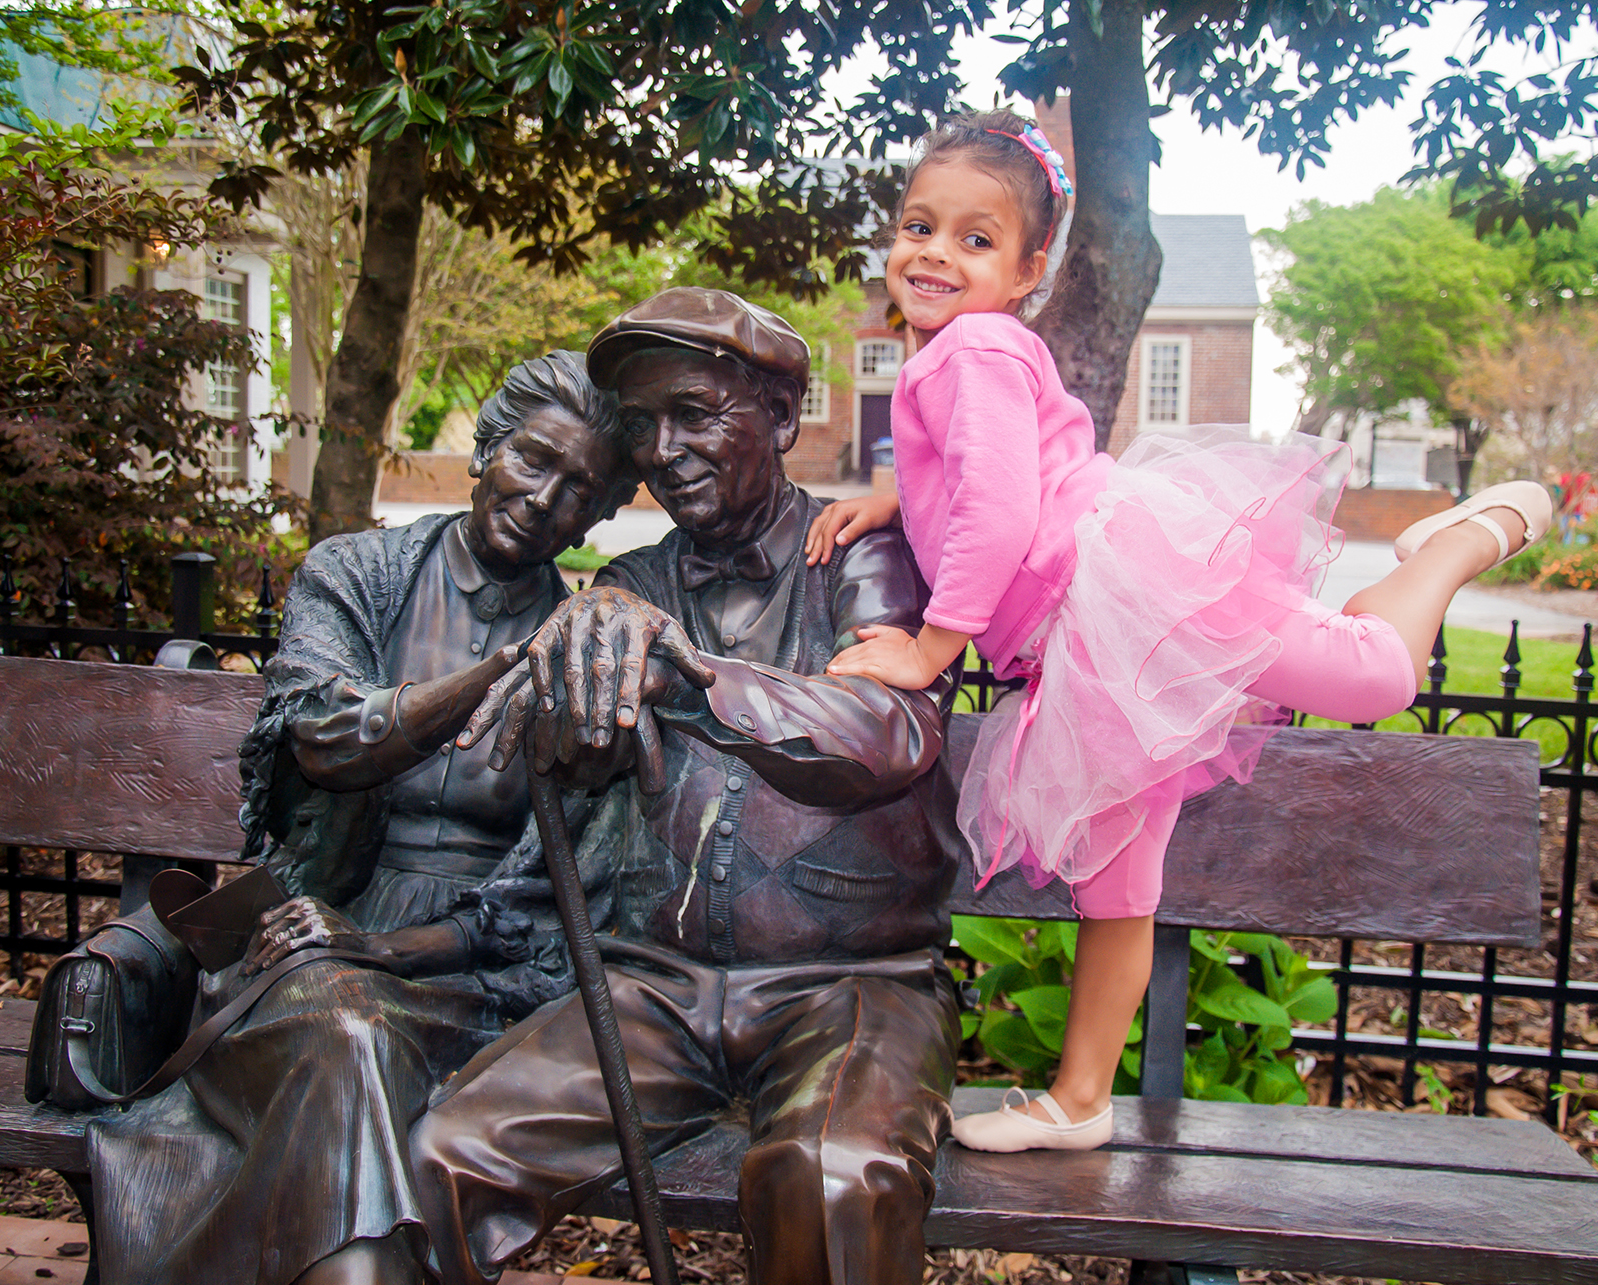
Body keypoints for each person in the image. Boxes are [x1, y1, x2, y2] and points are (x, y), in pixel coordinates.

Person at [805, 110, 1554, 1154]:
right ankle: (1080, 1099)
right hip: (1088, 646)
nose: (933, 251)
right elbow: (970, 474)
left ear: (1026, 274)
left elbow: (999, 510)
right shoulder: (961, 355)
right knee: (1120, 877)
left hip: (1127, 595)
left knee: (1375, 673)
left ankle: (1461, 542)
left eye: (975, 240)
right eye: (918, 225)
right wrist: (895, 495)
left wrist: (933, 645)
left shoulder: (973, 344)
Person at [406, 286, 965, 1285]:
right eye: (640, 424)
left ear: (783, 419)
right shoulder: (630, 586)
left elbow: (889, 734)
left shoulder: (867, 557)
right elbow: (571, 768)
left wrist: (698, 682)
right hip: (652, 989)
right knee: (444, 1154)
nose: (662, 450)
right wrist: (565, 700)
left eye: (696, 415)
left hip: (851, 987)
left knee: (832, 1173)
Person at [88, 350, 634, 1285]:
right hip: (308, 934)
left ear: (600, 514)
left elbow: (559, 886)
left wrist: (386, 949)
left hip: (479, 968)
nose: (547, 499)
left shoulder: (584, 649)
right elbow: (325, 734)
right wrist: (493, 676)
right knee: (345, 1035)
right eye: (534, 460)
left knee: (358, 1043)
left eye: (580, 488)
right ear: (486, 450)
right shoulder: (357, 573)